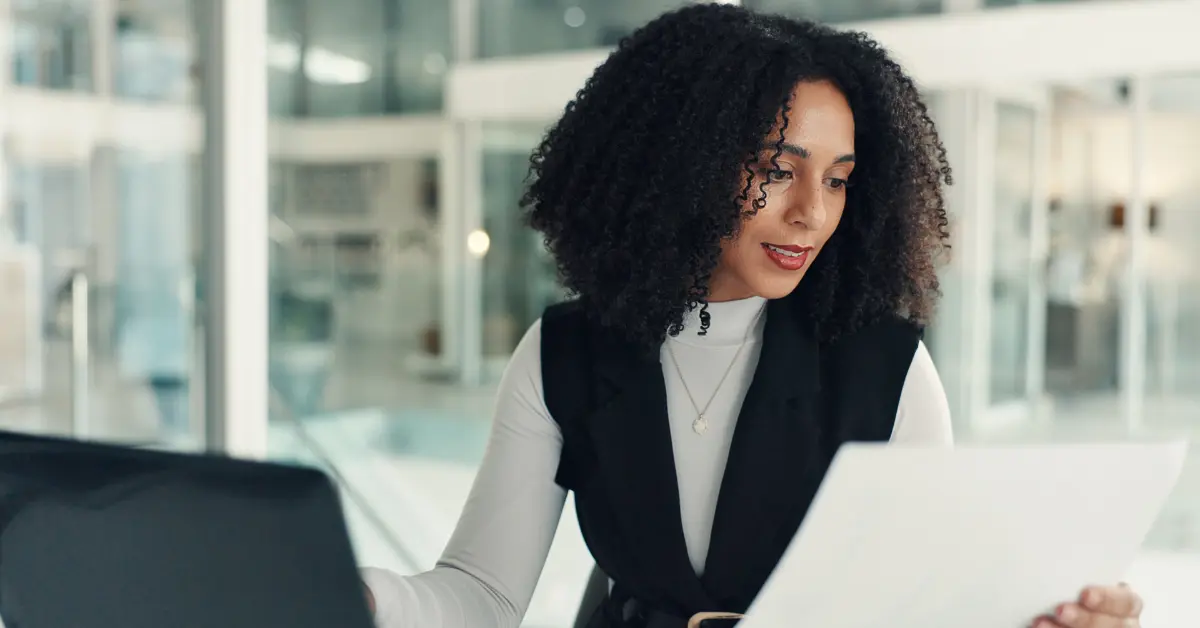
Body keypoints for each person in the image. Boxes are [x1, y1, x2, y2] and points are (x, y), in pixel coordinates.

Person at [362, 5, 1146, 628]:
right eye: (778, 170)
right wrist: (359, 594)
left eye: (838, 180)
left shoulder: (884, 367)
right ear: (679, 165)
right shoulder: (565, 353)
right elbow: (481, 597)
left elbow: (923, 607)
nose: (812, 212)